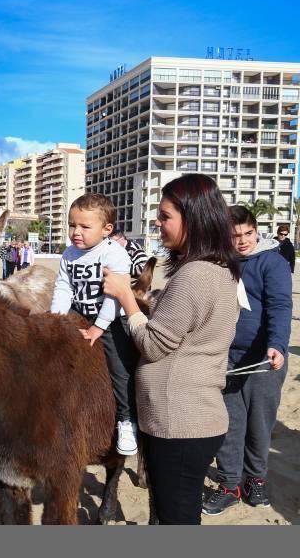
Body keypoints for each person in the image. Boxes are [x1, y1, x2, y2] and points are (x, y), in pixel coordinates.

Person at [103, 173, 241, 525]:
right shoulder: (218, 269)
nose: (157, 222)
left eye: (165, 216)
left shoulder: (195, 275)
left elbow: (153, 344)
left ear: (192, 220)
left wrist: (125, 298)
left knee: (175, 519)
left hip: (180, 424)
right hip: (193, 420)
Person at [202, 206, 292, 516]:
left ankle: (256, 480)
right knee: (229, 425)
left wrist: (278, 345)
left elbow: (280, 306)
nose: (242, 241)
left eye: (248, 234)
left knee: (259, 425)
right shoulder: (218, 262)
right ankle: (229, 485)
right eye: (235, 235)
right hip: (227, 357)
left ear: (256, 231)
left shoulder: (273, 262)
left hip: (264, 360)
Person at [51, 193, 137, 456]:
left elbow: (114, 296)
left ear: (107, 229)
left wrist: (98, 327)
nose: (76, 232)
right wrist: (55, 319)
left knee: (120, 370)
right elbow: (64, 287)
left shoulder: (115, 254)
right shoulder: (69, 254)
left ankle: (126, 420)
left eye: (85, 226)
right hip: (79, 312)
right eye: (72, 225)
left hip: (110, 319)